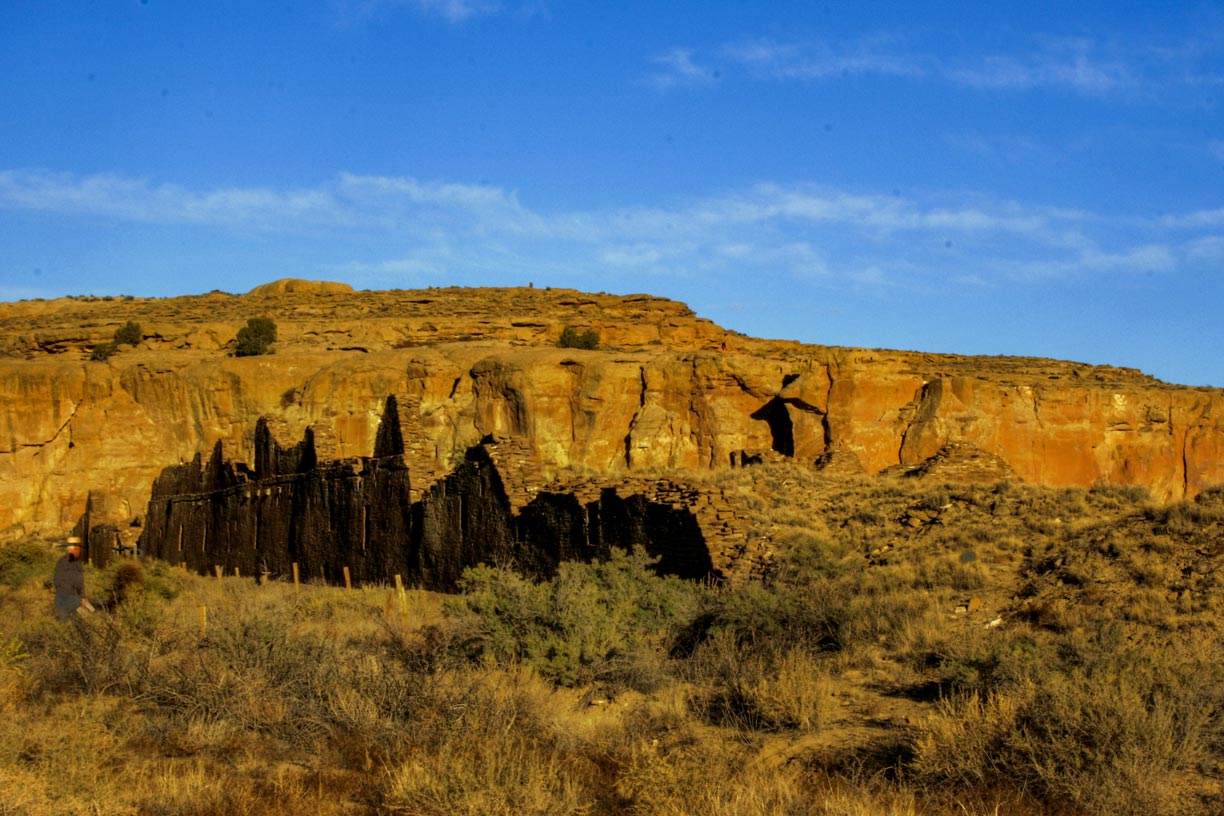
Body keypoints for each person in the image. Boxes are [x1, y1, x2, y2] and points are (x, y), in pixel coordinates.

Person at [53, 536, 86, 622]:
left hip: (60, 597)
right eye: (78, 549)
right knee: (85, 619)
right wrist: (82, 598)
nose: (80, 551)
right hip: (71, 597)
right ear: (75, 549)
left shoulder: (60, 561)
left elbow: (56, 581)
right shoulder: (75, 563)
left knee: (63, 623)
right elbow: (78, 582)